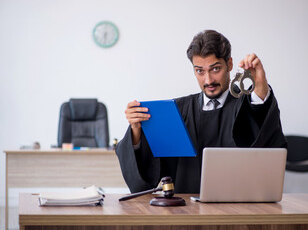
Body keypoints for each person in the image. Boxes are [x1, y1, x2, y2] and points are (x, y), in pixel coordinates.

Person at [116, 30, 287, 194]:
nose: (208, 80)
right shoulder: (177, 111)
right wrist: (136, 131)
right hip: (186, 212)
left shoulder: (246, 107)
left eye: (215, 69)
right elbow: (147, 171)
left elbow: (265, 136)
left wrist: (260, 88)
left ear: (229, 64)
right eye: (200, 71)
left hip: (238, 210)